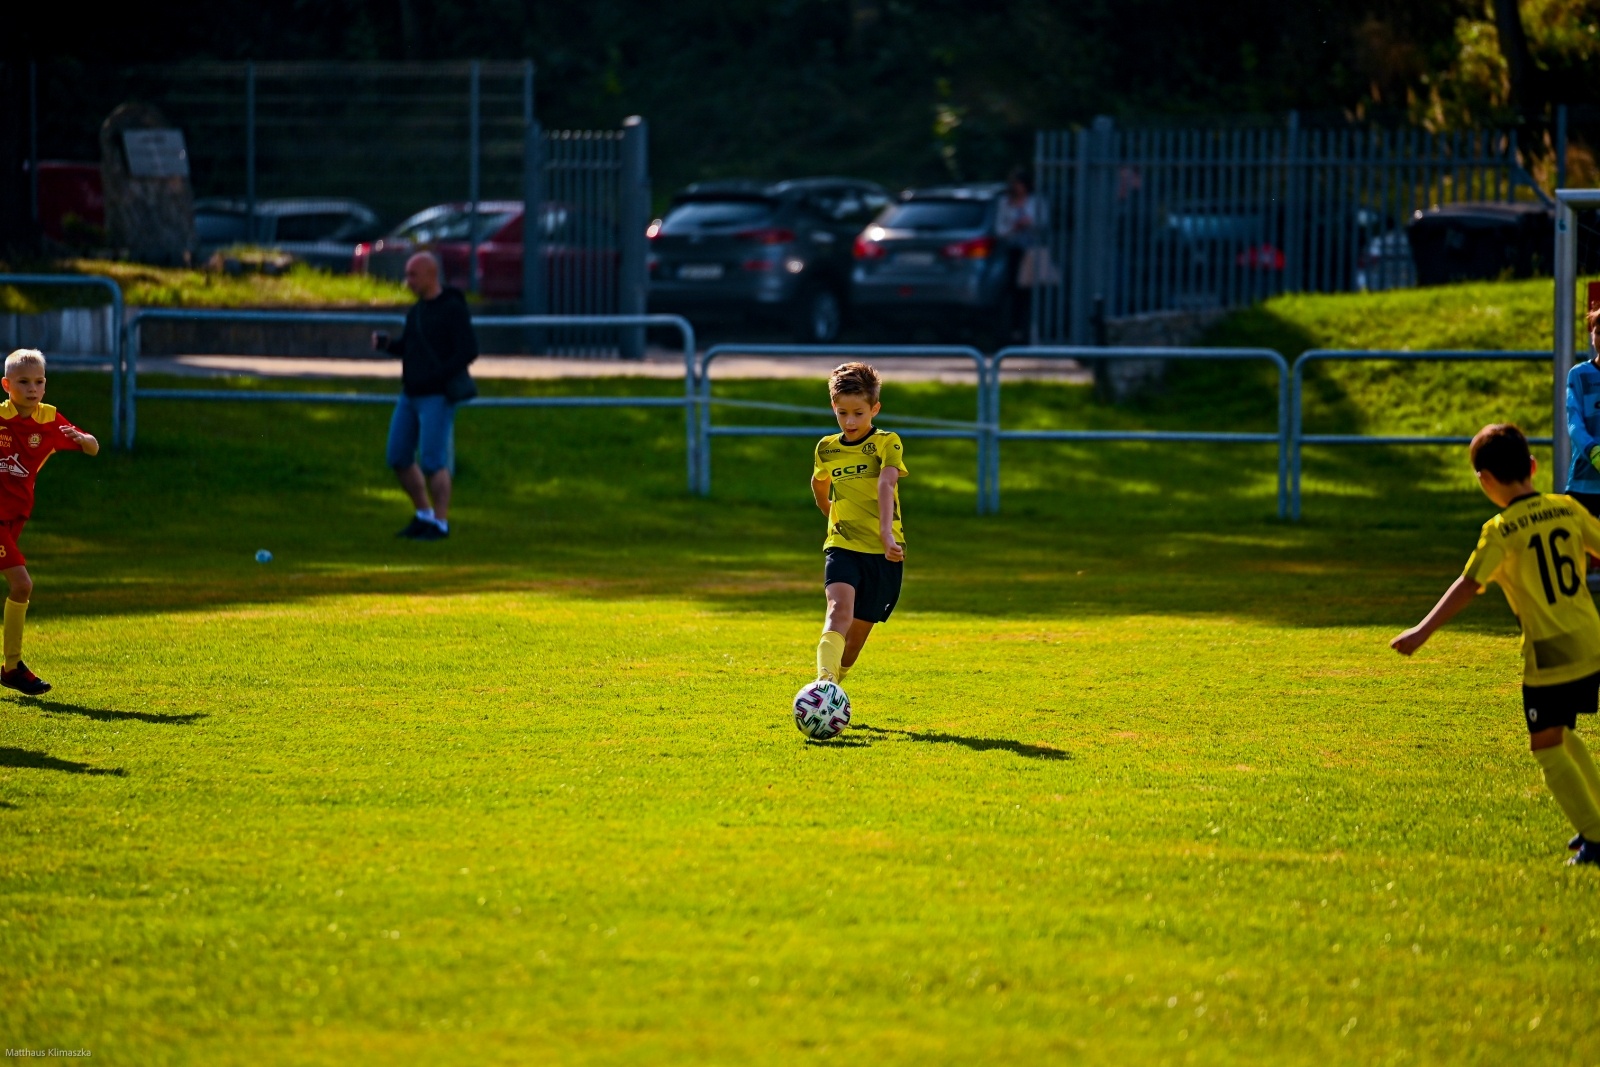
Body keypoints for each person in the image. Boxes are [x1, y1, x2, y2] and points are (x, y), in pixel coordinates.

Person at [1391, 423, 1600, 867]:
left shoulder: (1501, 531)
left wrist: (1421, 632)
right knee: (1562, 732)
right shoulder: (1566, 508)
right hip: (1590, 638)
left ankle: (1596, 836)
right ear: (1533, 466)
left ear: (1485, 480)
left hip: (1550, 651)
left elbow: (1469, 584)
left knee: (1546, 745)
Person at [0, 349, 98, 695]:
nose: (32, 388)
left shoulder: (50, 420)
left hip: (16, 516)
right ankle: (11, 667)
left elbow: (93, 448)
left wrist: (85, 440)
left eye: (39, 382)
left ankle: (10, 668)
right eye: (24, 382)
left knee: (19, 586)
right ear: (6, 385)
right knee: (21, 584)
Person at [811, 362, 907, 688]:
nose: (850, 422)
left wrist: (886, 534)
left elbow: (886, 483)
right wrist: (828, 510)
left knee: (854, 641)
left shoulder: (887, 442)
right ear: (833, 408)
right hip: (842, 545)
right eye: (842, 413)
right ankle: (823, 684)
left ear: (874, 409)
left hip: (883, 552)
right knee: (838, 611)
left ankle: (834, 685)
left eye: (858, 413)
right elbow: (819, 482)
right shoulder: (827, 448)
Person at [371, 252, 478, 541]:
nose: (408, 281)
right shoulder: (417, 311)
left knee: (433, 461)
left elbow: (468, 350)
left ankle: (440, 523)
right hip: (410, 394)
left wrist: (439, 376)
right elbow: (409, 347)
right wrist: (388, 345)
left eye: (413, 275)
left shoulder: (452, 308)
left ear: (431, 274)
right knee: (398, 456)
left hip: (437, 396)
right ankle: (423, 514)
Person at [995, 167, 1047, 343]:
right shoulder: (1005, 202)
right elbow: (999, 229)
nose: (1018, 188)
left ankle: (1032, 329)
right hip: (1013, 251)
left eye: (1021, 184)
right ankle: (1014, 329)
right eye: (1016, 184)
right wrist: (1013, 228)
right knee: (1014, 291)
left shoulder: (1036, 201)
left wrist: (1029, 223)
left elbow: (1043, 222)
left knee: (1032, 291)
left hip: (1032, 252)